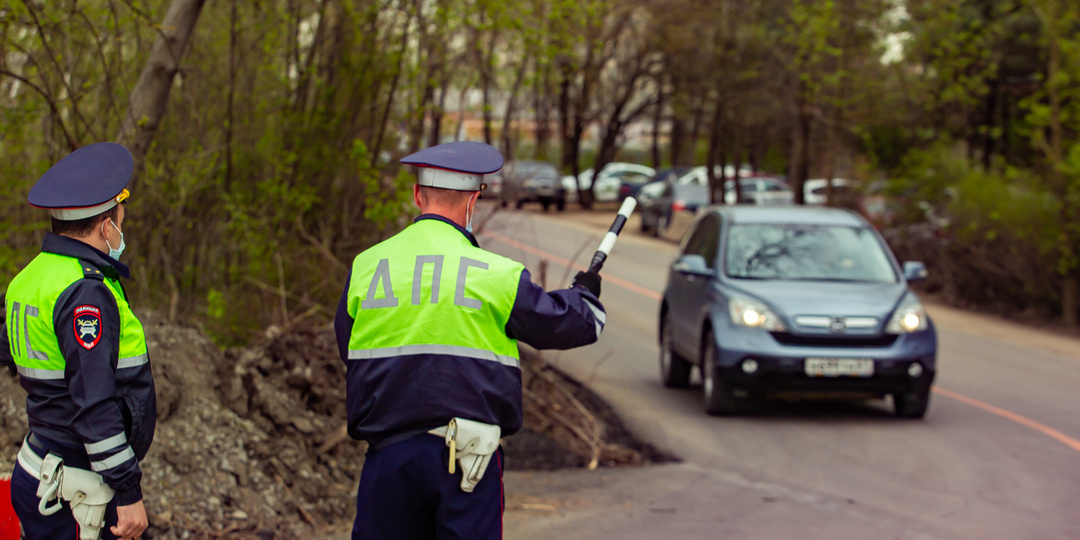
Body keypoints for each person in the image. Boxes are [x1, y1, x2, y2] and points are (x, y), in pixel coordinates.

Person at [335, 141, 606, 539]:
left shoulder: (367, 265)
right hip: (468, 462)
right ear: (473, 200)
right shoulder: (496, 274)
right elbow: (570, 325)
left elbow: (350, 349)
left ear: (417, 195)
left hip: (388, 459)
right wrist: (585, 295)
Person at [3, 143, 156, 540]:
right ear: (107, 226)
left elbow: (12, 350)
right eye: (120, 216)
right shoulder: (84, 291)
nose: (123, 225)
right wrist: (128, 490)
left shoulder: (31, 277)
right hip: (76, 491)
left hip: (39, 466)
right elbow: (93, 405)